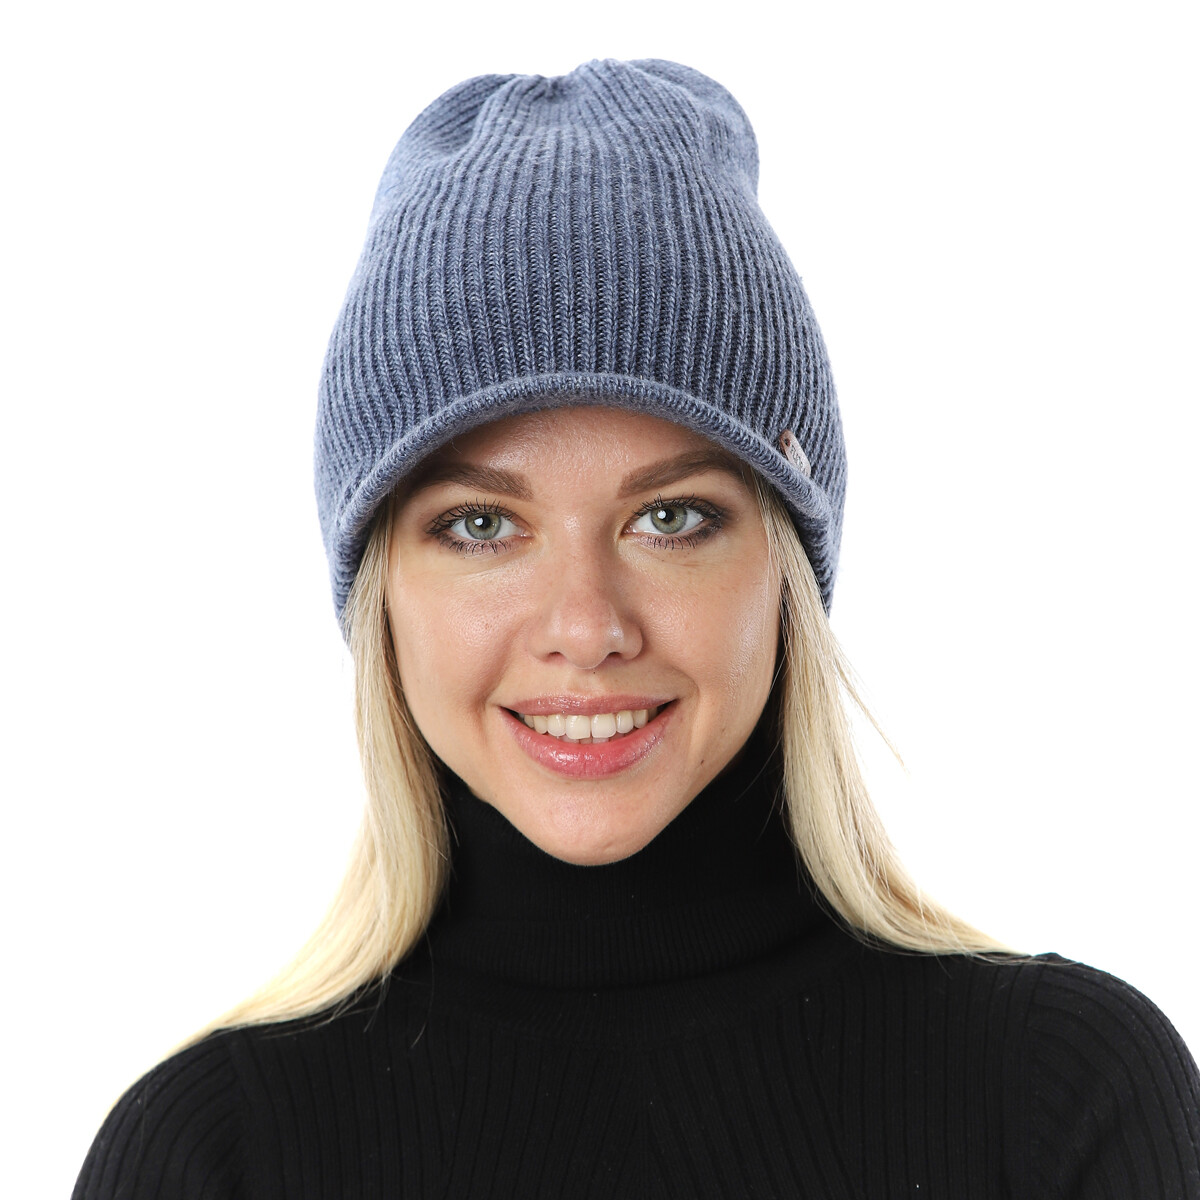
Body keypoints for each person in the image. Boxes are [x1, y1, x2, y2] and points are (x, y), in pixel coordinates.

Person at [72, 57, 1200, 1198]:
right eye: (479, 525)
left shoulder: (1060, 1095)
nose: (585, 627)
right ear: (381, 595)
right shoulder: (211, 1153)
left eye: (671, 518)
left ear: (785, 572)